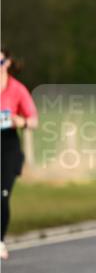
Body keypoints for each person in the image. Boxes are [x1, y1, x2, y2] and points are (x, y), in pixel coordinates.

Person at [1, 48, 38, 260]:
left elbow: (34, 120)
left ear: (7, 63)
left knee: (2, 195)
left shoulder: (17, 89)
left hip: (8, 145)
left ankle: (0, 239)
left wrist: (21, 121)